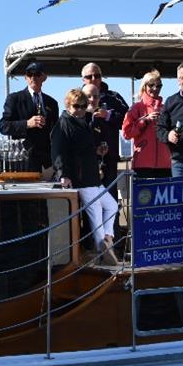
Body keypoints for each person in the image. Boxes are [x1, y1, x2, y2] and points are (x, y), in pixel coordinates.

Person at [51, 90, 120, 265]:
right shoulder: (63, 124)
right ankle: (101, 250)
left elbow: (83, 148)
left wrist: (97, 151)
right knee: (95, 210)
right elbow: (58, 151)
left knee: (112, 205)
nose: (81, 110)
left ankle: (106, 240)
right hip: (80, 177)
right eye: (76, 106)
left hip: (91, 176)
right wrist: (63, 175)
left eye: (83, 106)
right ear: (68, 105)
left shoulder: (81, 122)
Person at [0, 61, 59, 173]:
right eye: (30, 75)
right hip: (23, 161)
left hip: (47, 162)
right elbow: (3, 126)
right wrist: (27, 124)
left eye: (37, 74)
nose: (33, 78)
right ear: (25, 77)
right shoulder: (15, 99)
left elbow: (55, 132)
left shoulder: (52, 103)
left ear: (44, 77)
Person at [81, 63, 128, 197]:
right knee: (87, 202)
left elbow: (128, 121)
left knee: (110, 201)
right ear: (83, 79)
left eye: (97, 75)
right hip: (84, 160)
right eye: (89, 76)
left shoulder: (114, 97)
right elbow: (69, 122)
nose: (94, 78)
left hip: (109, 158)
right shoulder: (76, 97)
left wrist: (108, 115)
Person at [121, 71, 172, 178]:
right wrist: (144, 120)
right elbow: (126, 133)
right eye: (151, 85)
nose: (155, 88)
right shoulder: (136, 108)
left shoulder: (166, 108)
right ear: (144, 86)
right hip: (142, 164)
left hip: (165, 164)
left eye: (159, 86)